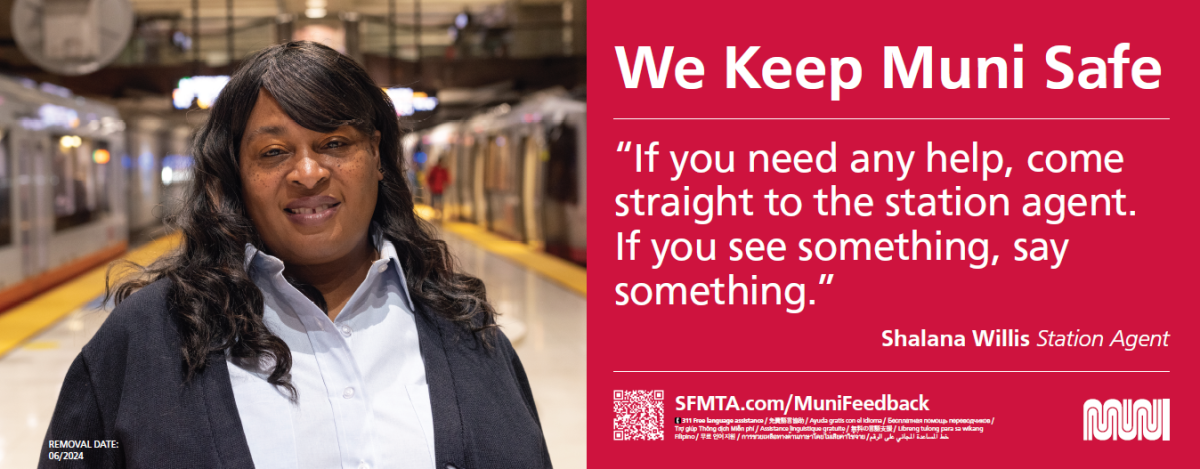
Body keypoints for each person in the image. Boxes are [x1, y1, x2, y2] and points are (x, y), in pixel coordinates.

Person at [39, 41, 551, 469]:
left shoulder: (463, 331)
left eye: (334, 142)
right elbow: (75, 451)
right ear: (233, 175)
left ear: (377, 156)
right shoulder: (143, 339)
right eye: (273, 152)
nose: (308, 173)